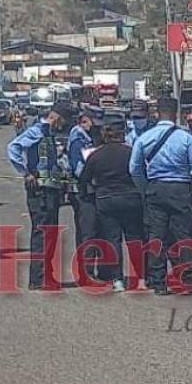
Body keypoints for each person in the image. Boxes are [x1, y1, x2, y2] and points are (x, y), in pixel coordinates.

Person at [129, 95, 192, 294]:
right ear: (176, 114)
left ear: (157, 114)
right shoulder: (186, 138)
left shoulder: (144, 138)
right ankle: (187, 280)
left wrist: (145, 187)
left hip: (155, 189)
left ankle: (158, 282)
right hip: (181, 189)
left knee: (157, 236)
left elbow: (134, 168)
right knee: (184, 236)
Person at [8, 102, 75, 289]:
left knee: (50, 234)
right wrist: (26, 173)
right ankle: (38, 278)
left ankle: (46, 274)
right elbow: (13, 148)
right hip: (40, 191)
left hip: (51, 189)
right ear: (57, 117)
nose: (63, 126)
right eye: (63, 121)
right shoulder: (37, 131)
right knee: (42, 234)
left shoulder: (48, 133)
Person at [81, 123, 143, 292]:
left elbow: (84, 178)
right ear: (122, 135)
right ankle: (142, 276)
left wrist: (87, 195)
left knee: (112, 240)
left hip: (106, 200)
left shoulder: (96, 155)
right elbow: (140, 172)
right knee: (135, 238)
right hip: (131, 198)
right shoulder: (130, 152)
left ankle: (117, 279)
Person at [67, 110, 99, 259]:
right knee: (87, 231)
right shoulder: (78, 141)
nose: (92, 125)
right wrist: (93, 177)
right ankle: (86, 270)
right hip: (82, 191)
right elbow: (78, 168)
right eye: (90, 121)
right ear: (84, 120)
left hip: (86, 190)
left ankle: (87, 267)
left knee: (89, 230)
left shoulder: (86, 139)